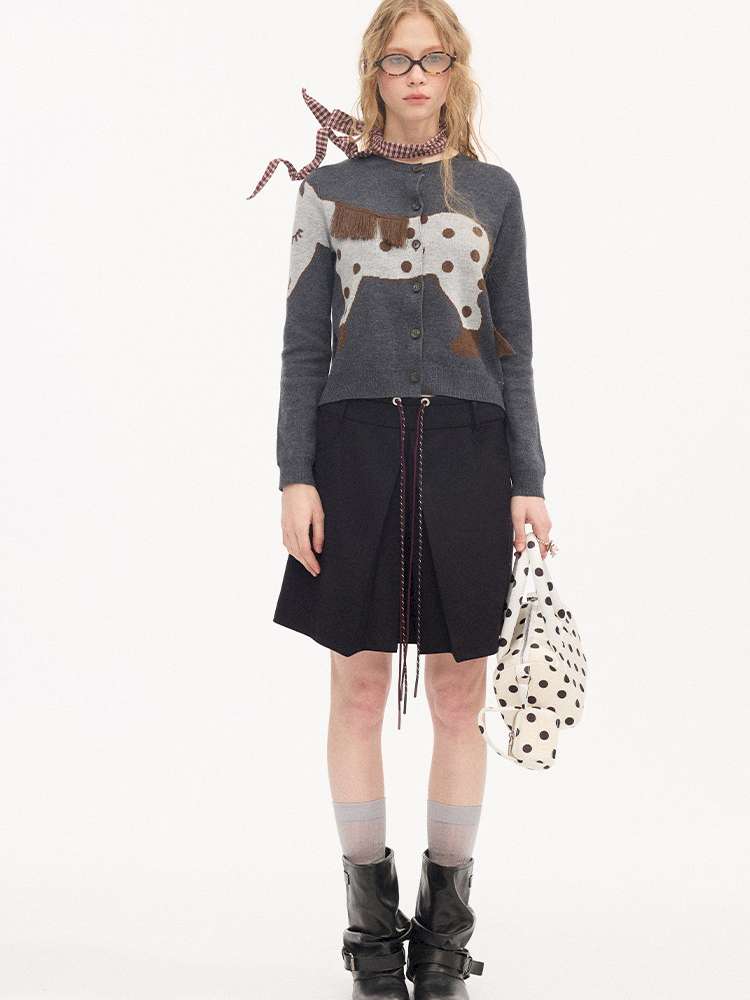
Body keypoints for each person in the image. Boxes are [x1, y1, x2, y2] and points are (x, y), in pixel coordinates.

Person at [247, 3, 554, 997]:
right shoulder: (328, 192)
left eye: (433, 57)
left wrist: (528, 479)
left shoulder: (494, 193)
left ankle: (445, 946)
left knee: (461, 697)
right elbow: (303, 347)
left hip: (470, 454)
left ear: (453, 69)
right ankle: (374, 945)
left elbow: (513, 349)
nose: (416, 73)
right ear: (373, 71)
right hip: (354, 453)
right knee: (358, 686)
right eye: (397, 58)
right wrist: (296, 473)